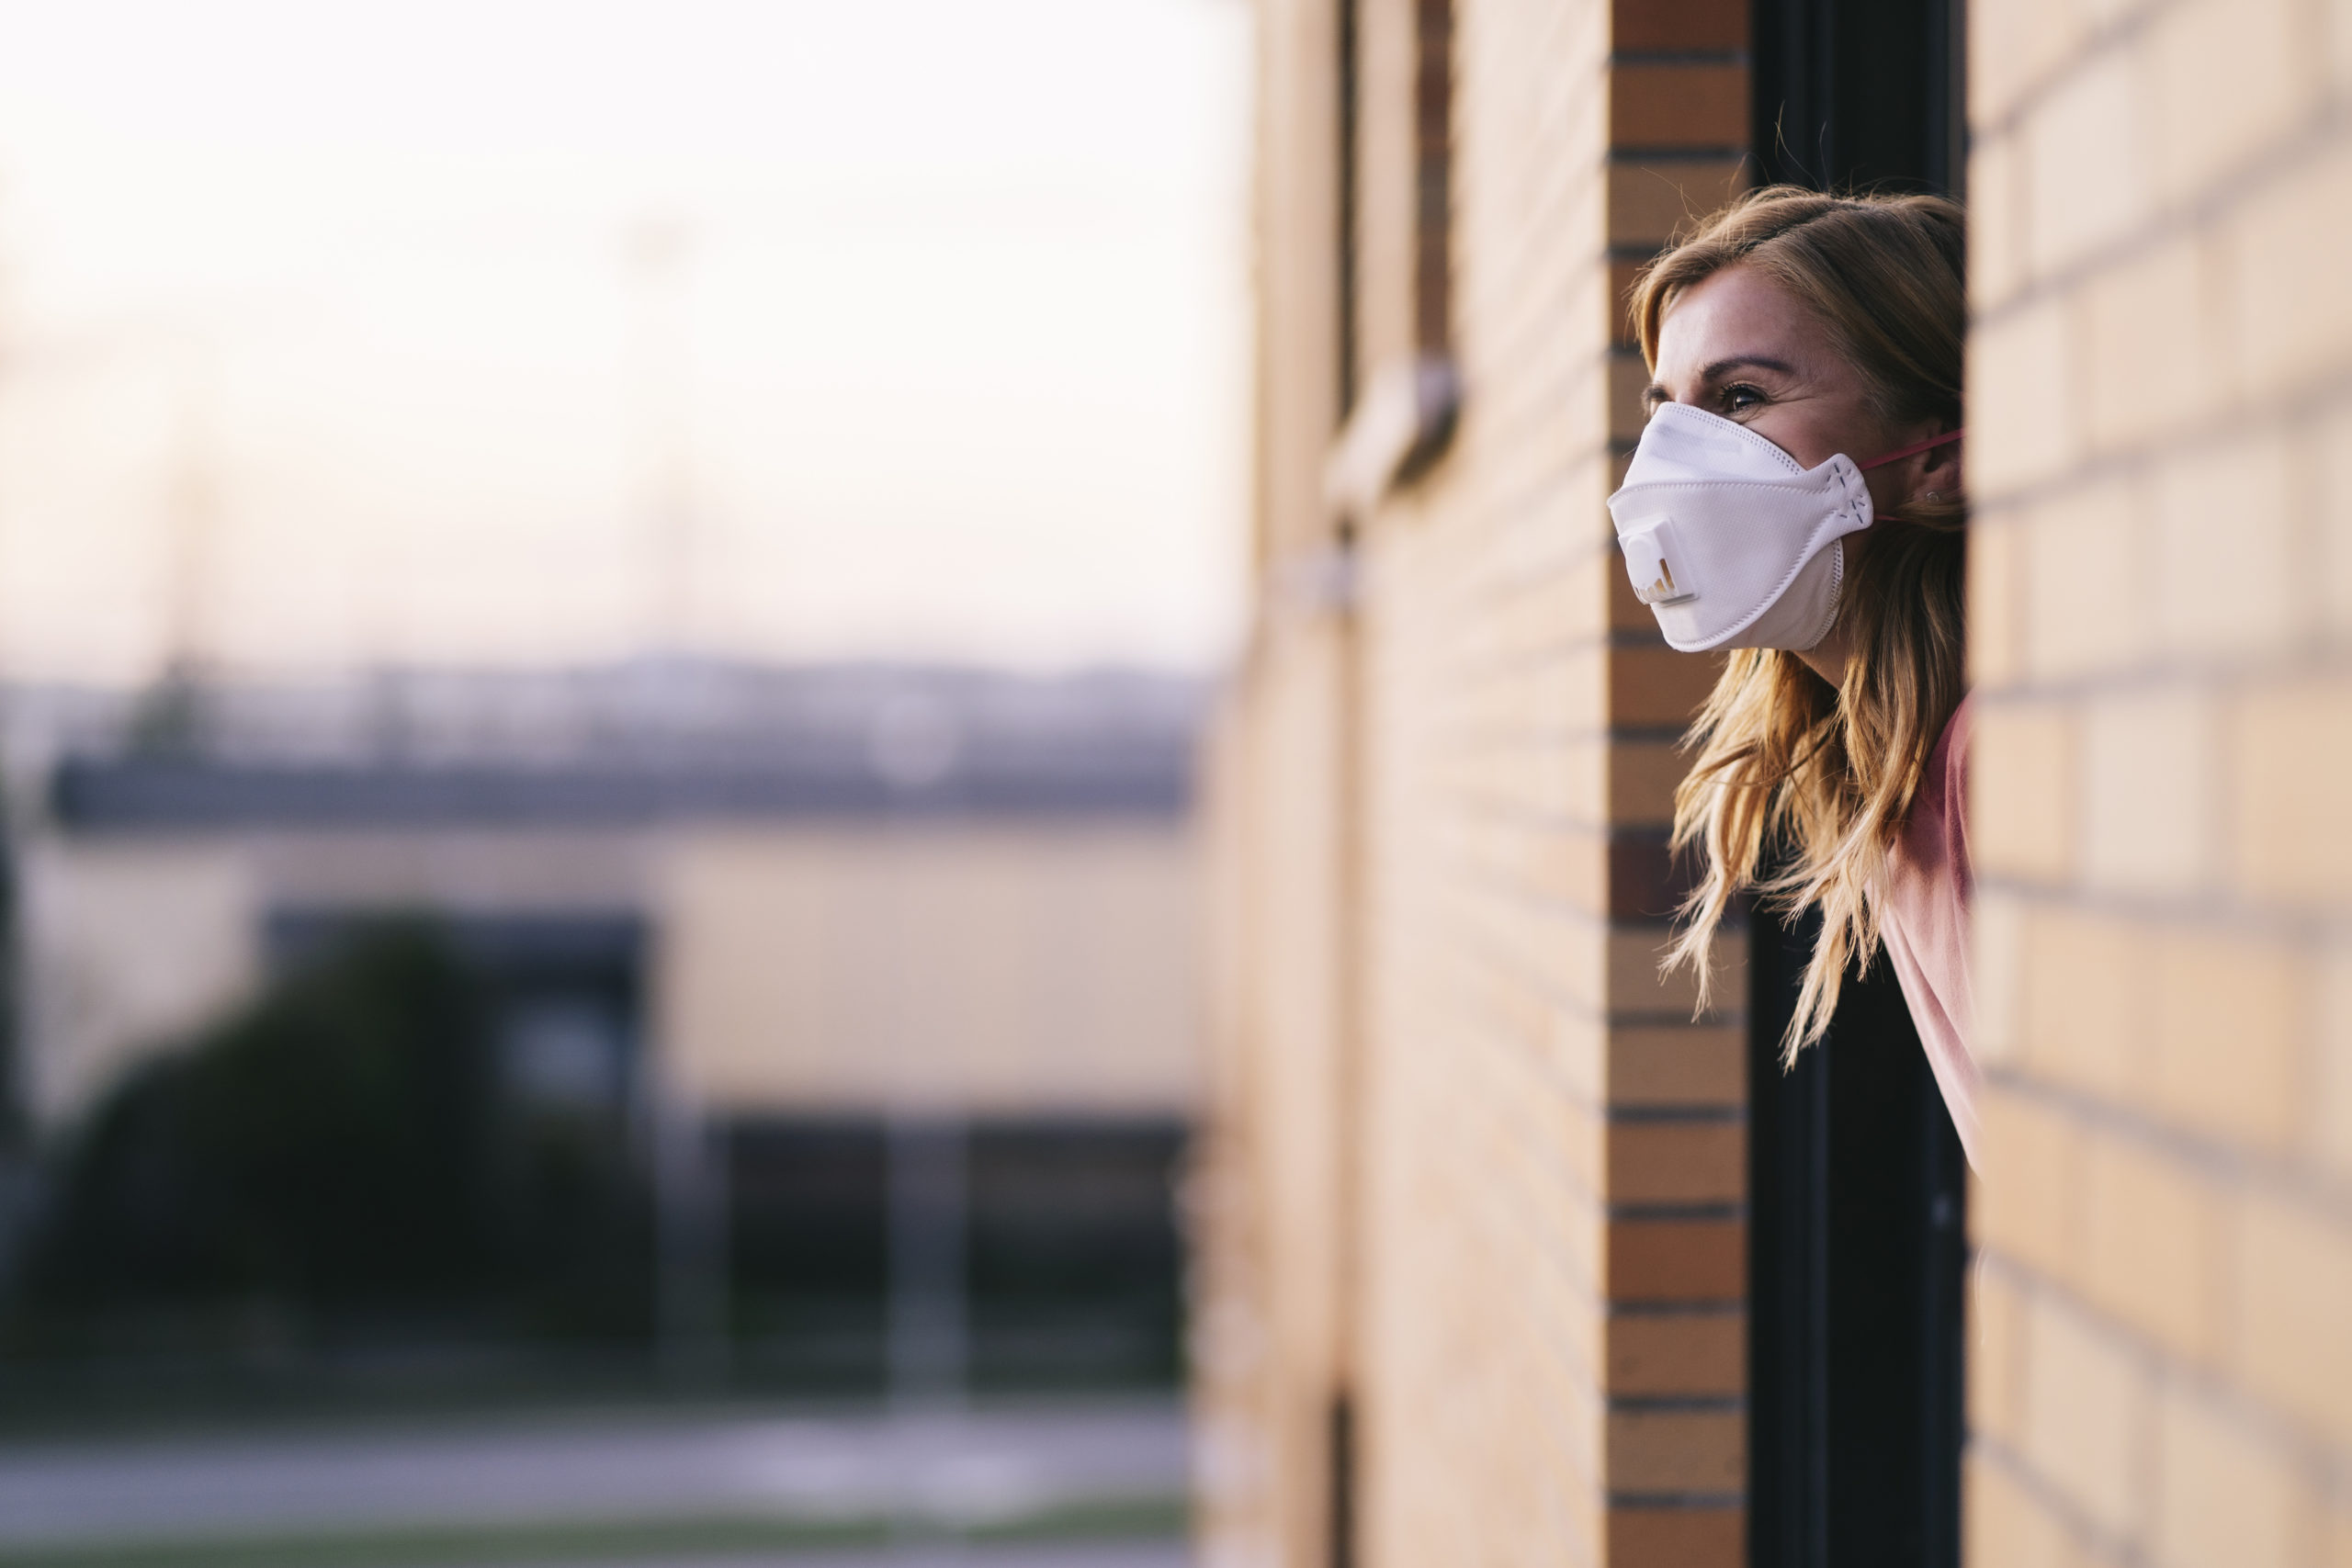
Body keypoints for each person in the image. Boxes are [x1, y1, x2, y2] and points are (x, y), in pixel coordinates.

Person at [1608, 186, 1978, 1168]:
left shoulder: (1994, 762)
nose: (1674, 464)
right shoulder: (1890, 766)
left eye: (1740, 399)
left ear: (1935, 455)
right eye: (1668, 411)